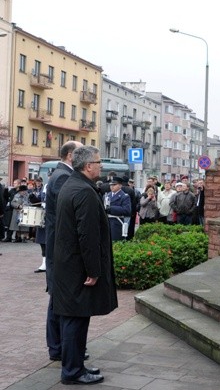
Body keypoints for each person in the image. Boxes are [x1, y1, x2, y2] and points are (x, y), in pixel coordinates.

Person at [52, 145, 117, 385]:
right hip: (77, 269)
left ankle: (75, 365)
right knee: (75, 321)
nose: (101, 166)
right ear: (88, 166)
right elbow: (87, 236)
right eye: (99, 162)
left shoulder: (73, 185)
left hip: (68, 266)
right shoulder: (84, 191)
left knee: (74, 319)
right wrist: (93, 270)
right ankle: (72, 371)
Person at [43, 141, 83, 363]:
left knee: (57, 299)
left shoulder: (60, 175)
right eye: (80, 152)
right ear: (70, 155)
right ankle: (58, 347)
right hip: (60, 248)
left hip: (59, 246)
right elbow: (66, 216)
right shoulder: (63, 177)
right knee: (58, 300)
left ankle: (60, 347)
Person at [104, 176, 132, 241]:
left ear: (120, 185)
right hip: (107, 222)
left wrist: (110, 208)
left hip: (117, 222)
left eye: (114, 185)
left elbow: (127, 210)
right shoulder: (106, 195)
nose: (112, 186)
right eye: (111, 185)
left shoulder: (124, 196)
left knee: (115, 242)